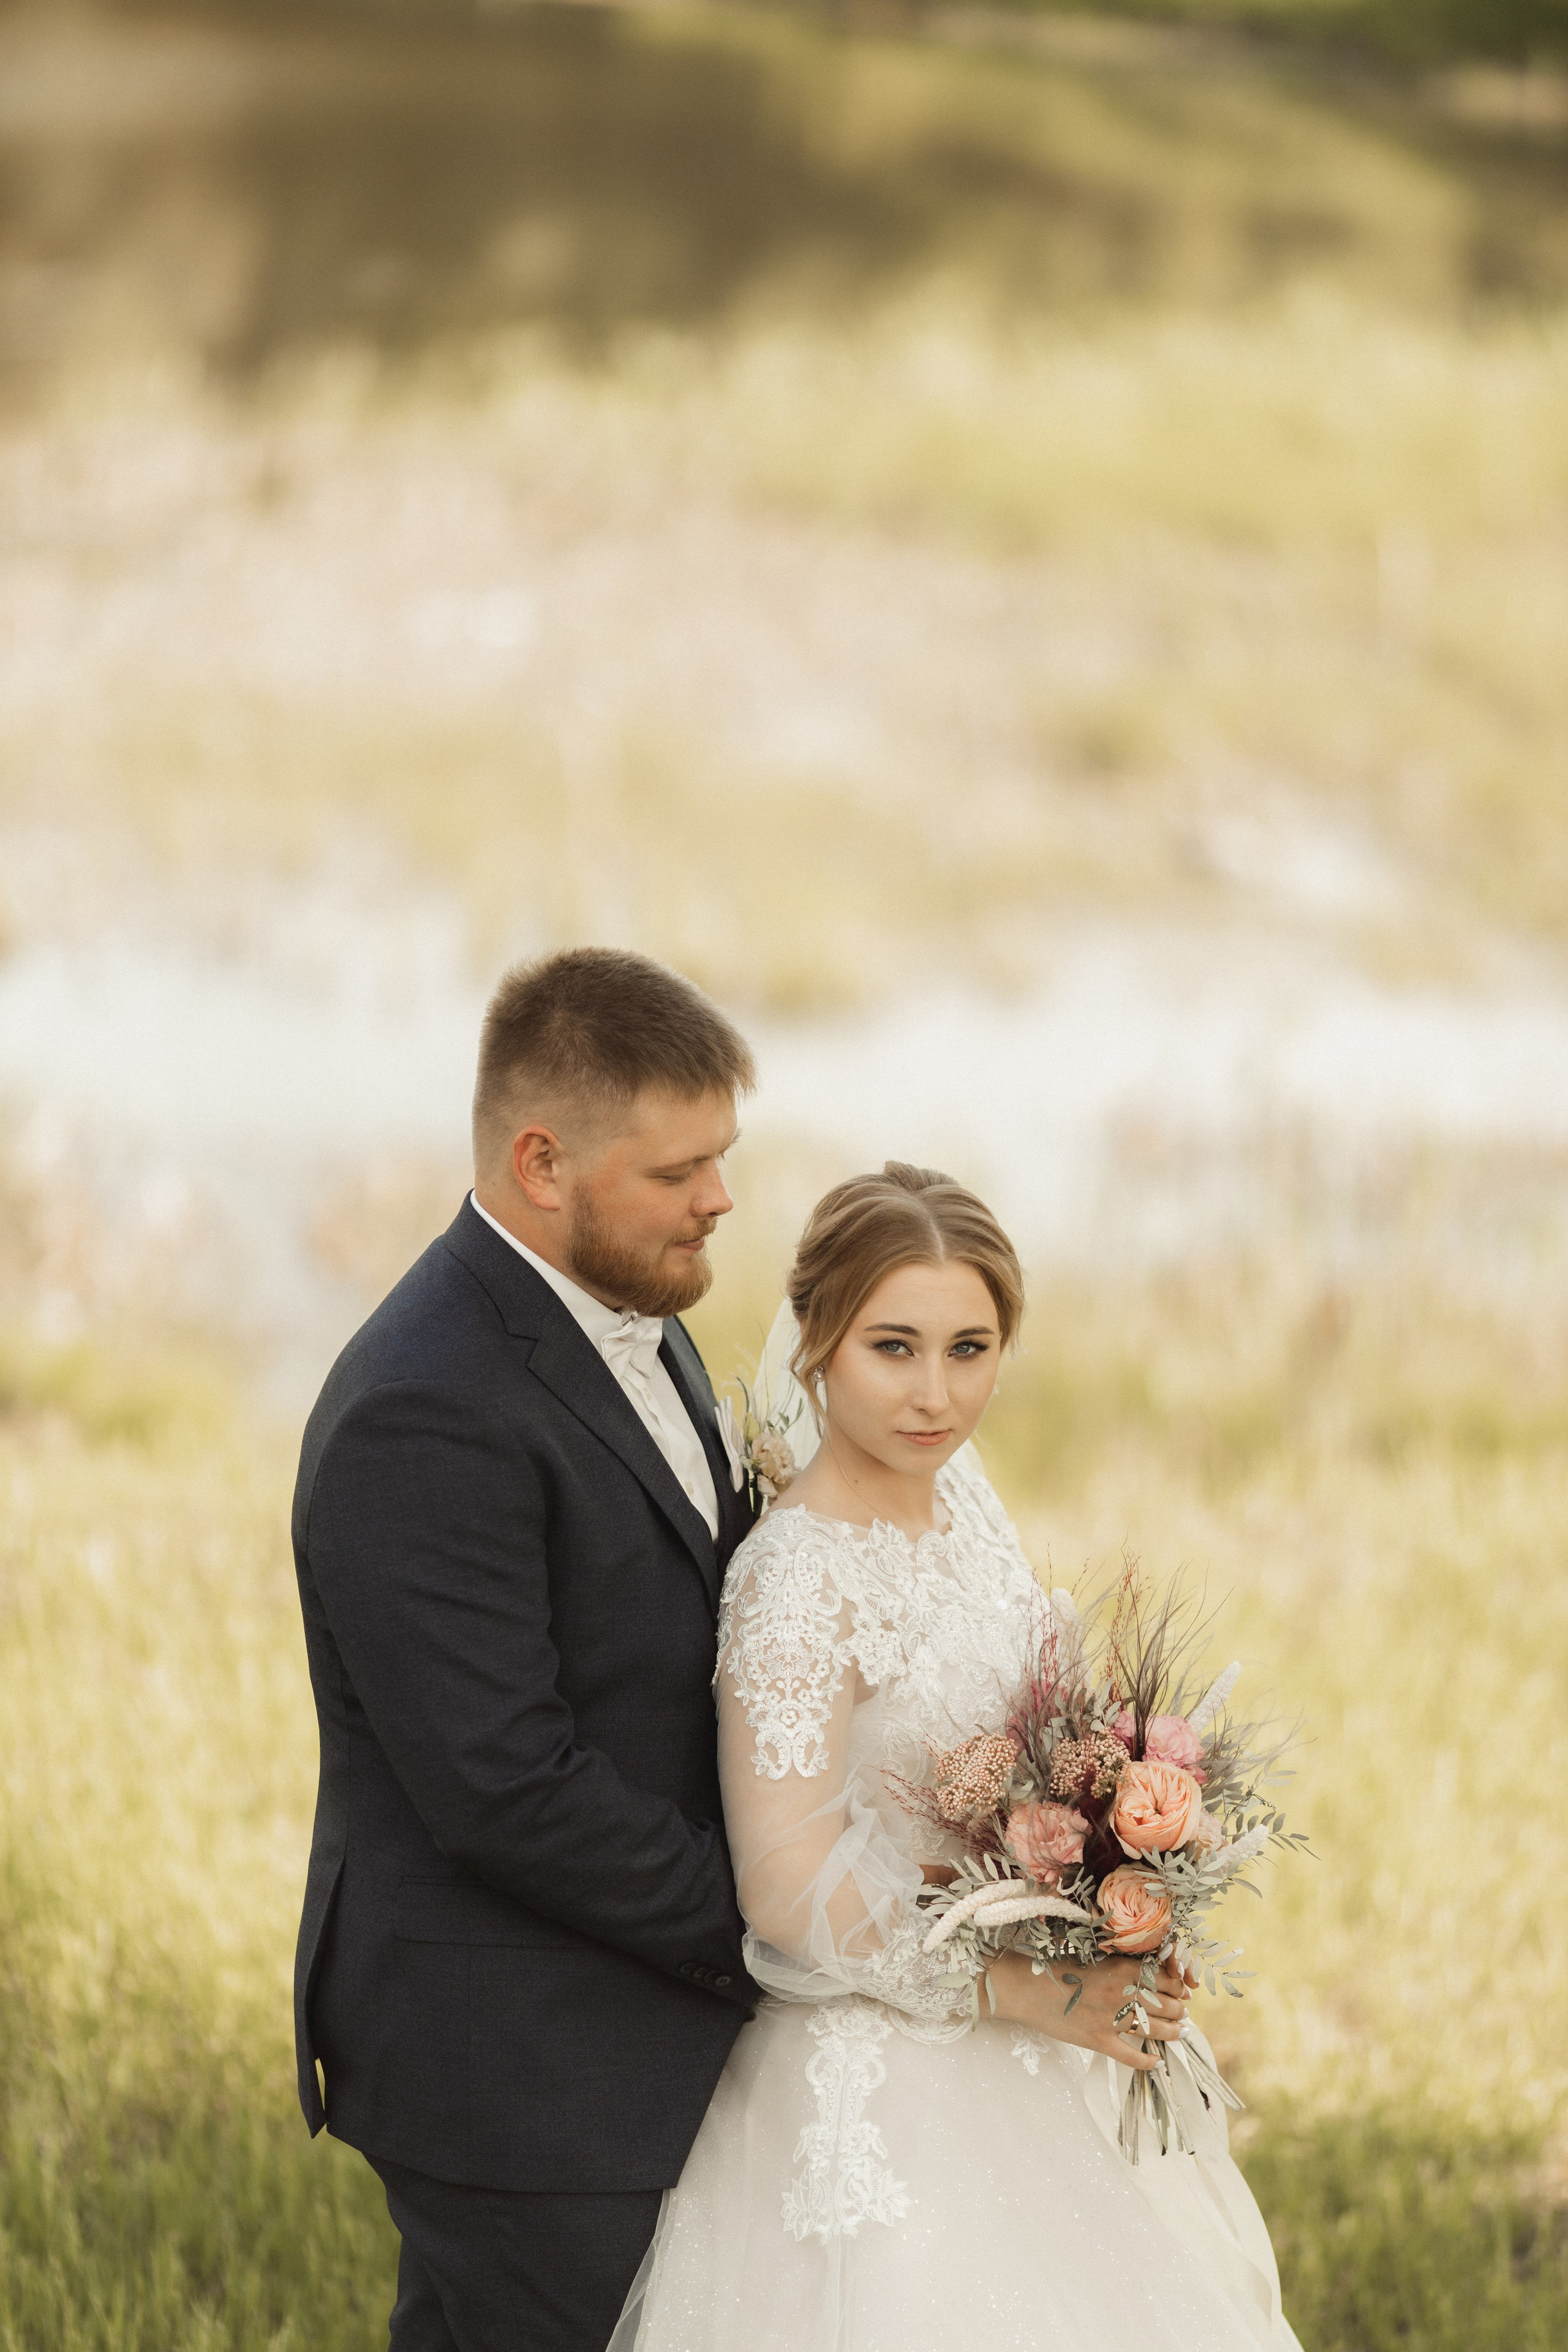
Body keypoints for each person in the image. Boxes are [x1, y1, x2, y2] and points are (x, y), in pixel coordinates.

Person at [612, 1161, 1303, 2352]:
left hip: (1049, 2047)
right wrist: (1023, 1988)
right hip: (889, 2076)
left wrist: (1115, 1915)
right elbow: (783, 1885)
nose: (934, 1393)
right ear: (818, 1339)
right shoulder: (793, 1579)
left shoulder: (965, 1516)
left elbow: (1032, 1759)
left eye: (969, 1348)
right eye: (893, 1347)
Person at [290, 947, 761, 2352]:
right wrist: (782, 1927)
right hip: (515, 2065)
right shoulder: (421, 1410)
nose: (719, 1198)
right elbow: (507, 1787)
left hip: (622, 2014)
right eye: (678, 1170)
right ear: (542, 1164)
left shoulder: (630, 1312)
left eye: (722, 1157)